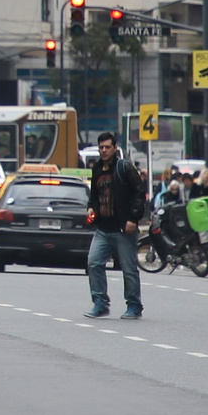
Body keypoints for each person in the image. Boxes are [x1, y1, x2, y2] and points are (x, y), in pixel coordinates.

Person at [82, 130, 148, 319]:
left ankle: (134, 305)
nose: (104, 151)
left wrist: (133, 219)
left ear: (115, 148)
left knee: (128, 269)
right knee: (94, 263)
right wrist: (91, 208)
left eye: (107, 147)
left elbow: (139, 194)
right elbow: (94, 196)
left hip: (122, 229)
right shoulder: (96, 170)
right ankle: (100, 303)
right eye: (101, 147)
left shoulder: (124, 168)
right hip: (103, 229)